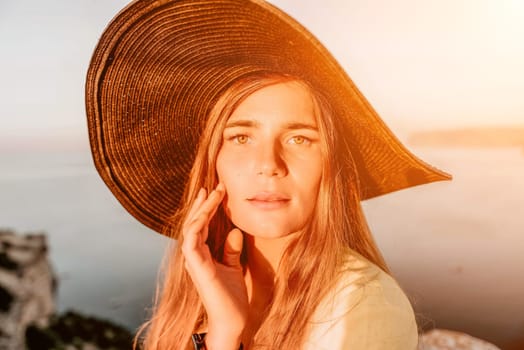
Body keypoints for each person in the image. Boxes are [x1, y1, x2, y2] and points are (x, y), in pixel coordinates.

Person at [85, 1, 451, 349]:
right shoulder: (196, 295)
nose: (268, 163)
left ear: (331, 166)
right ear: (213, 163)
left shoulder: (361, 306)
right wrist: (225, 332)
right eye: (241, 137)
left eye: (299, 138)